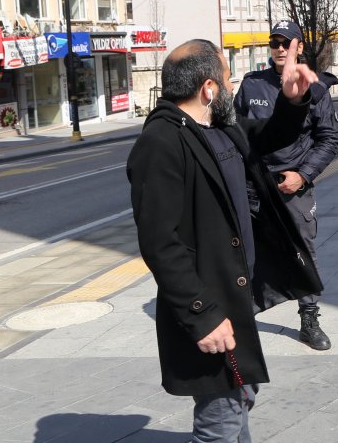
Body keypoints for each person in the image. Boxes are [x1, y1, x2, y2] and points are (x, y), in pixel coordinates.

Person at [127, 39, 323, 443]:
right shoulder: (162, 142)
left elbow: (269, 136)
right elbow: (160, 243)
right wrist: (201, 315)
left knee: (238, 402)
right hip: (209, 305)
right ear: (208, 88)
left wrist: (292, 100)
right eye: (227, 78)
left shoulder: (220, 128)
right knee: (220, 420)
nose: (232, 87)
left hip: (235, 298)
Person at [234, 20, 338, 351]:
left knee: (302, 252)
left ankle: (309, 319)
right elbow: (235, 134)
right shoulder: (251, 85)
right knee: (245, 251)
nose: (280, 48)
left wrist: (303, 175)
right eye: (275, 43)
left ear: (299, 47)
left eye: (287, 42)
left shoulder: (314, 87)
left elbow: (329, 139)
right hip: (254, 185)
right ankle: (241, 314)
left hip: (293, 186)